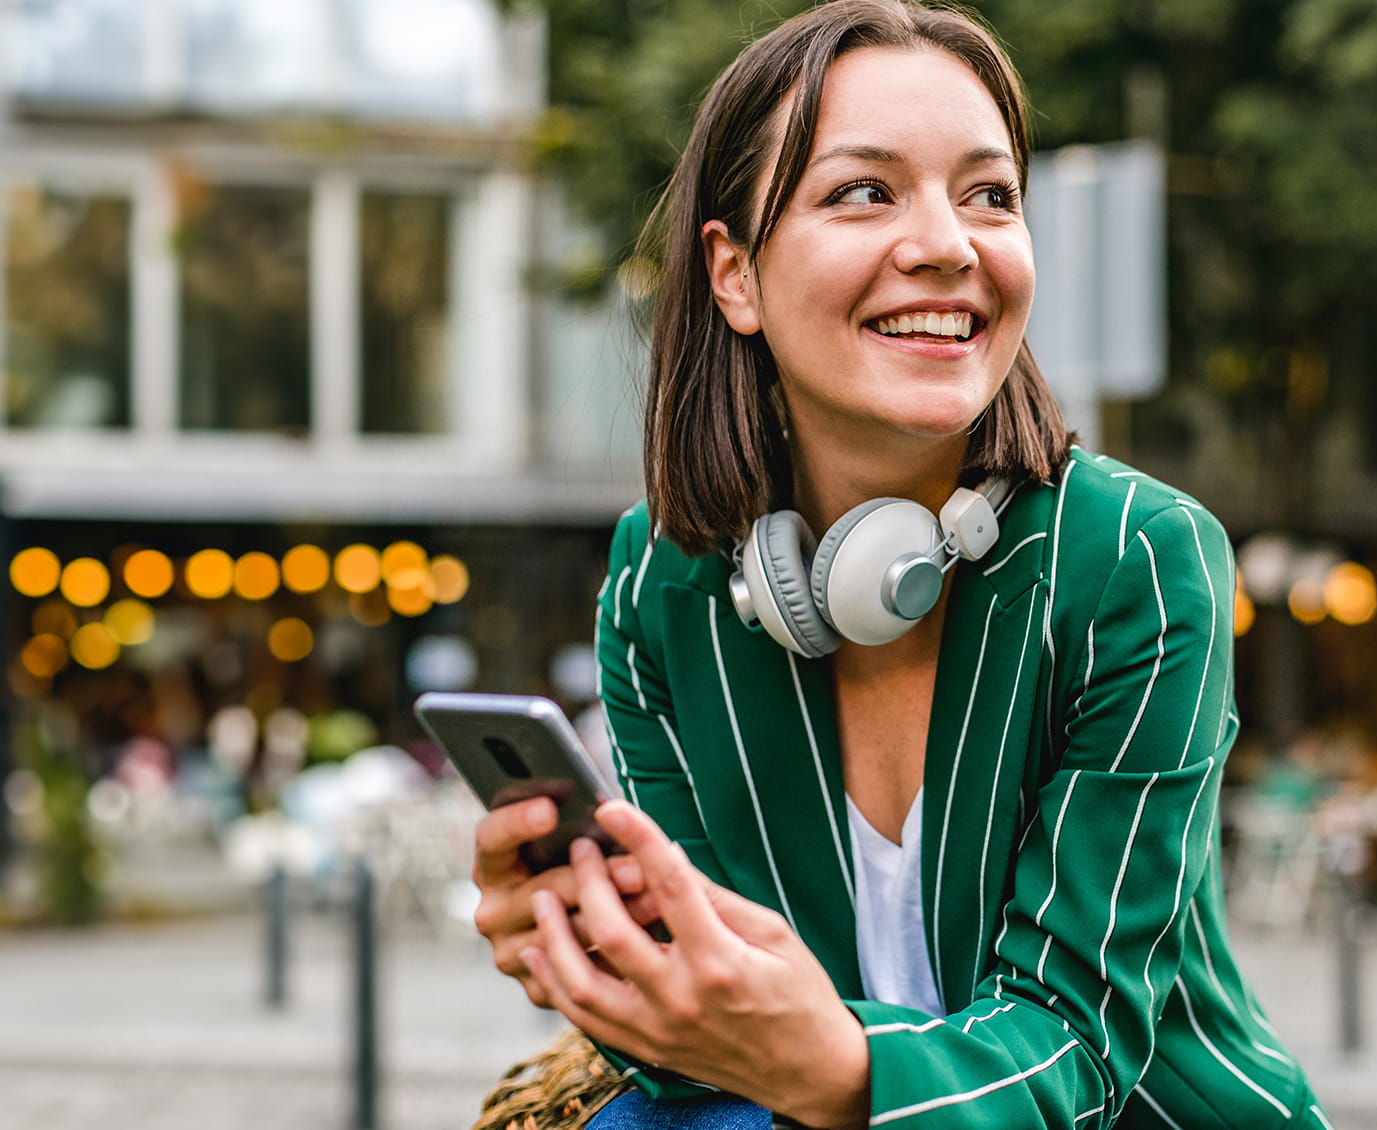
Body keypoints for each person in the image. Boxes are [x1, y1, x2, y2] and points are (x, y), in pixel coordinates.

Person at [470, 2, 1328, 1127]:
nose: (947, 243)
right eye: (863, 191)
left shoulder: (1136, 560)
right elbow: (715, 1046)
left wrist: (832, 1065)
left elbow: (1073, 1044)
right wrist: (614, 971)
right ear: (731, 275)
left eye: (989, 195)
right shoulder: (660, 580)